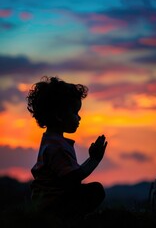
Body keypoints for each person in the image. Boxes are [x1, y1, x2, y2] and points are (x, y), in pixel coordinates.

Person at [26, 76, 107, 219]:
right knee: (96, 190)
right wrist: (94, 160)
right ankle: (69, 219)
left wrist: (92, 159)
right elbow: (73, 178)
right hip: (54, 206)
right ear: (59, 116)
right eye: (75, 112)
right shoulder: (58, 148)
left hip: (44, 204)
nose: (79, 118)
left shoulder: (49, 140)